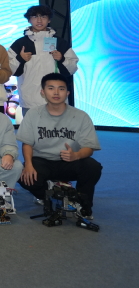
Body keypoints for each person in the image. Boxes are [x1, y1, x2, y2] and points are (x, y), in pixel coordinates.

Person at [16, 73, 101, 218]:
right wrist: (28, 165)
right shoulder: (33, 114)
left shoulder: (81, 116)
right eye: (51, 88)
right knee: (24, 175)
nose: (56, 92)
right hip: (42, 161)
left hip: (70, 161)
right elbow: (27, 143)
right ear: (43, 92)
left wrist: (76, 155)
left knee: (93, 167)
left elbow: (89, 147)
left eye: (61, 89)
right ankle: (48, 195)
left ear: (67, 93)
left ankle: (82, 205)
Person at [9, 5, 78, 114]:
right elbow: (10, 69)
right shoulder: (20, 43)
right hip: (30, 100)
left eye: (43, 17)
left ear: (49, 20)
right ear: (29, 20)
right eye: (35, 17)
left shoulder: (60, 42)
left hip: (56, 99)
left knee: (59, 125)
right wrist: (20, 59)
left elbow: (72, 68)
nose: (39, 20)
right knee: (31, 126)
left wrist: (62, 59)